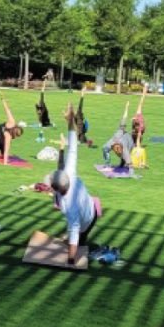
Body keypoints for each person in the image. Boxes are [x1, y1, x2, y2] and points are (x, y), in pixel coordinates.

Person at [51, 104, 99, 265]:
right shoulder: (69, 173)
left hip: (88, 217)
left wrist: (71, 260)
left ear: (59, 189)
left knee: (78, 240)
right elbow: (73, 146)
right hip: (89, 202)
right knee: (72, 229)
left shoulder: (70, 207)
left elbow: (74, 234)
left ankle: (87, 244)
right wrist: (70, 120)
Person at [0, 97, 25, 165]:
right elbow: (7, 149)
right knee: (2, 144)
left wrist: (3, 101)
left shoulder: (13, 122)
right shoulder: (8, 135)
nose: (16, 137)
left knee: (3, 147)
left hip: (4, 131)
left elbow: (8, 110)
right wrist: (5, 163)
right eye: (16, 135)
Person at [103, 102, 135, 169]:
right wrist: (126, 107)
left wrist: (131, 168)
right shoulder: (111, 142)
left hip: (128, 141)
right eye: (117, 151)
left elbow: (130, 163)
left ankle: (122, 162)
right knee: (104, 148)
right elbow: (124, 118)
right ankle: (108, 162)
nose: (117, 152)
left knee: (125, 157)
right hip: (117, 140)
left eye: (118, 152)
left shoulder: (125, 149)